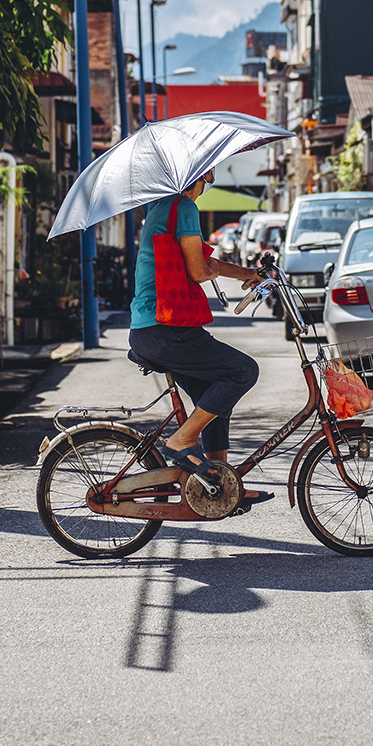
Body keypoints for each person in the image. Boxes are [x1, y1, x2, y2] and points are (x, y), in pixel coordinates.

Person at [128, 169, 273, 505]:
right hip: (165, 329)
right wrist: (212, 271)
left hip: (154, 329)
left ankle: (221, 482)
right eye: (210, 169)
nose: (213, 175)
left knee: (216, 399)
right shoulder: (184, 207)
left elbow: (203, 259)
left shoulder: (164, 207)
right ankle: (181, 441)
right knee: (243, 371)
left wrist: (248, 274)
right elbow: (199, 270)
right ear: (200, 172)